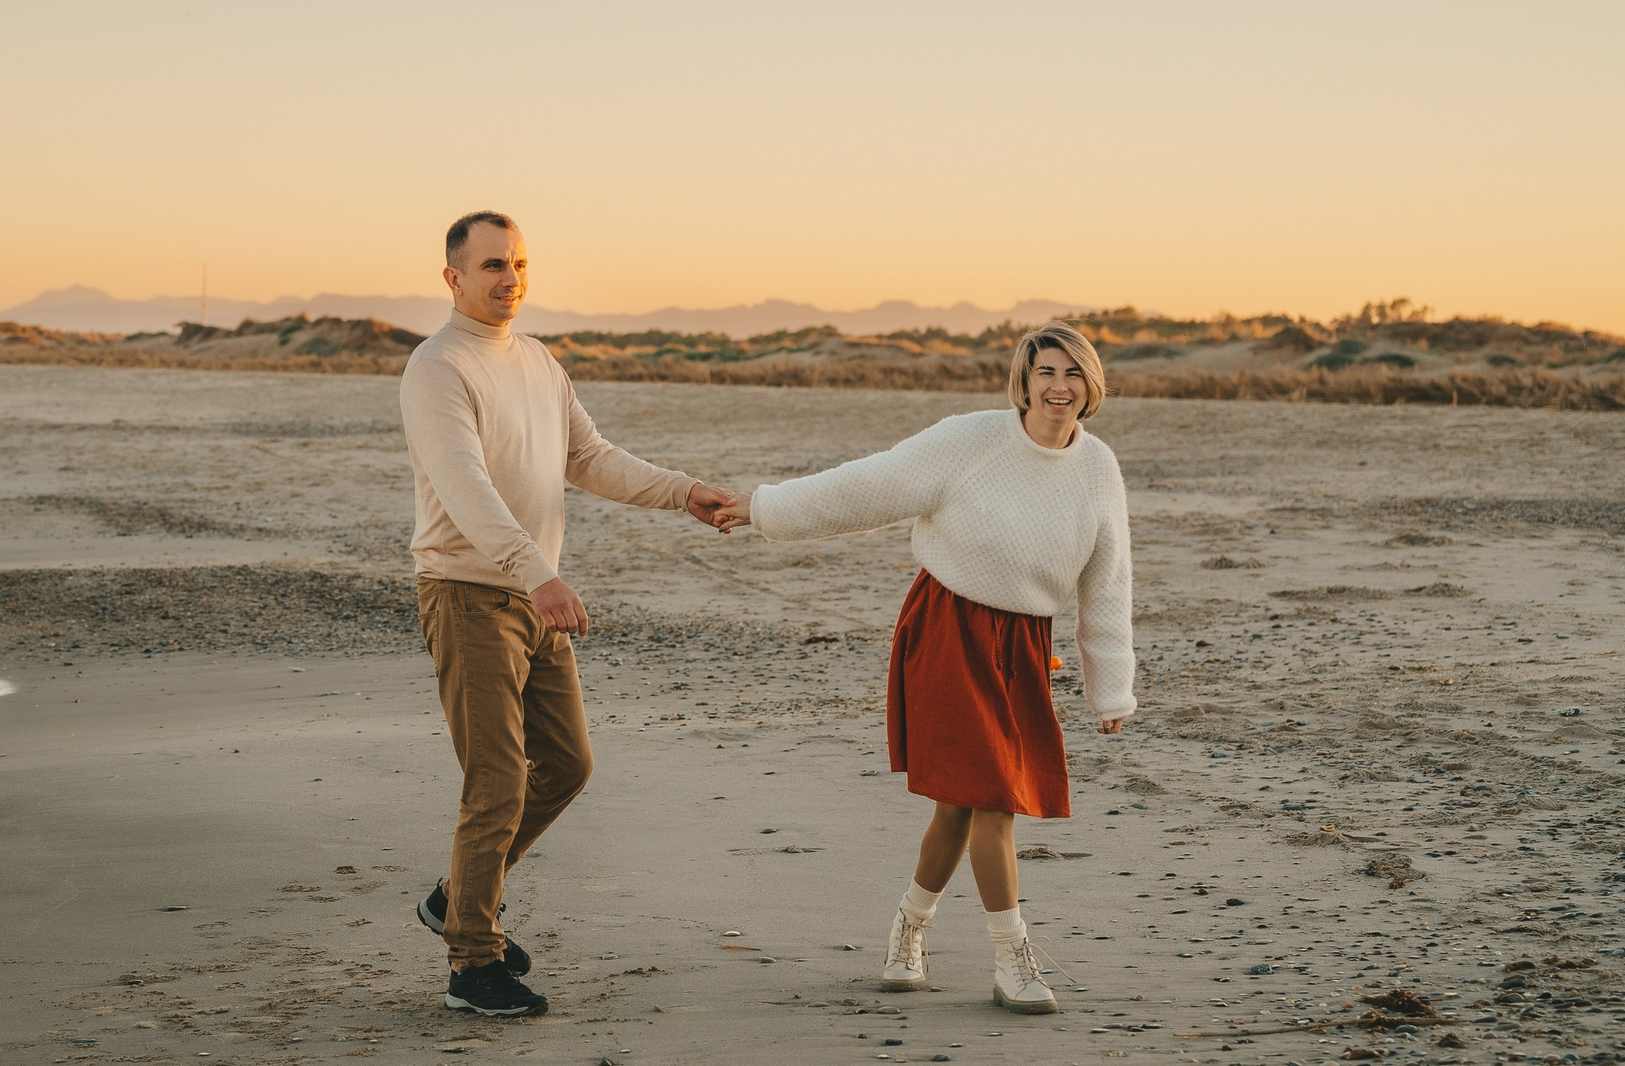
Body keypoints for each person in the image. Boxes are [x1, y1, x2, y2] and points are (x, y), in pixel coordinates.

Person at [717, 323, 1135, 1015]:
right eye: (1046, 372)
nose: (1059, 386)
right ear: (1024, 381)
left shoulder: (1098, 468)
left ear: (1091, 385)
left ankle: (909, 928)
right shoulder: (971, 439)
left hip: (1024, 645)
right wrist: (764, 508)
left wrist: (1111, 685)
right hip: (949, 627)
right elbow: (868, 485)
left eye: (1074, 374)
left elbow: (1108, 579)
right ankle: (1013, 958)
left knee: (959, 805)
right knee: (994, 800)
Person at [401, 211, 738, 1017]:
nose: (509, 277)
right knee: (495, 780)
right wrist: (539, 575)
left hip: (533, 593)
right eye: (491, 265)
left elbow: (587, 458)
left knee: (568, 764)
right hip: (471, 593)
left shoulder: (539, 362)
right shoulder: (436, 367)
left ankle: (458, 897)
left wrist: (681, 490)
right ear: (452, 278)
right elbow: (466, 488)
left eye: (518, 261)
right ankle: (470, 962)